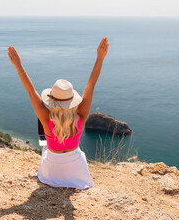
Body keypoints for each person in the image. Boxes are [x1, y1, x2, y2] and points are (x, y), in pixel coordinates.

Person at [7, 37, 109, 190]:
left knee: (45, 140)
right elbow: (91, 85)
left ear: (52, 100)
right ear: (72, 100)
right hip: (76, 172)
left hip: (51, 173)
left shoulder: (46, 118)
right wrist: (100, 58)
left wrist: (18, 66)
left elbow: (30, 91)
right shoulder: (80, 116)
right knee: (78, 153)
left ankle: (49, 149)